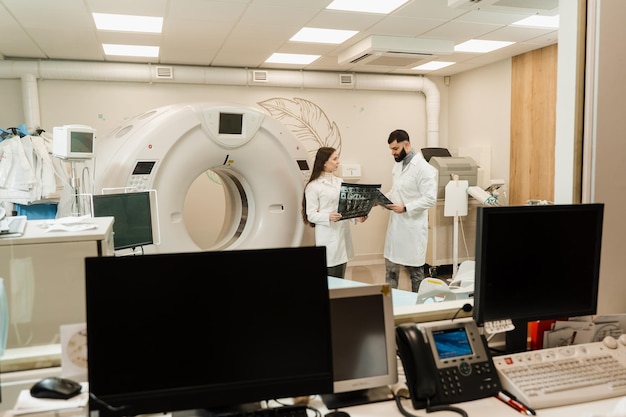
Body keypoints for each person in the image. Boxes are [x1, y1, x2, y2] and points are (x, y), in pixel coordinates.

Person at [382, 129, 437, 292]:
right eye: (391, 149)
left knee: (416, 274)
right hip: (396, 228)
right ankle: (389, 306)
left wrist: (406, 208)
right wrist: (378, 200)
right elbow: (395, 192)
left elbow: (430, 198)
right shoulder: (398, 165)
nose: (393, 153)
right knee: (390, 271)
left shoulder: (423, 168)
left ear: (406, 144)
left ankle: (417, 309)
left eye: (395, 149)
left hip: (412, 228)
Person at [302, 147, 367, 278]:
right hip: (327, 235)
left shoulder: (340, 182)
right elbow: (311, 215)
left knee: (341, 274)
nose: (338, 162)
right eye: (335, 159)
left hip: (342, 233)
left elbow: (345, 207)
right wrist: (328, 216)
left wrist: (356, 218)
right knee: (331, 276)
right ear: (325, 162)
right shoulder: (313, 186)